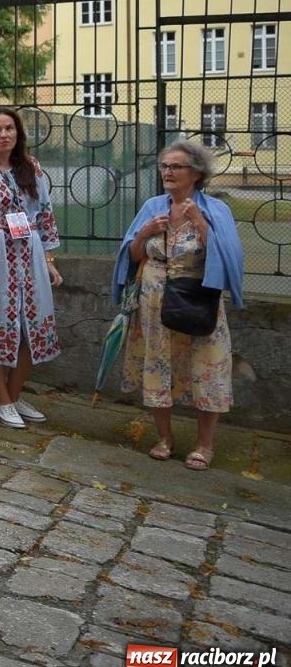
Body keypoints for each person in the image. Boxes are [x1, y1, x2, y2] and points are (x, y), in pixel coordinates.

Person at [113, 141, 244, 471]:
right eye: (164, 167)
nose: (168, 172)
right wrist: (143, 234)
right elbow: (131, 257)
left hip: (198, 298)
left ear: (196, 173)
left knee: (207, 367)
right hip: (154, 301)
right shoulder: (152, 206)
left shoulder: (215, 209)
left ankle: (205, 444)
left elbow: (229, 258)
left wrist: (199, 222)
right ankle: (165, 438)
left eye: (176, 167)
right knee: (158, 366)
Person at [0, 107, 62, 428]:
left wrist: (49, 260)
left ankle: (15, 395)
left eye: (9, 129)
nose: (3, 134)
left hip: (30, 254)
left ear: (18, 133)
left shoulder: (31, 168)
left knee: (31, 328)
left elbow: (45, 214)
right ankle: (2, 400)